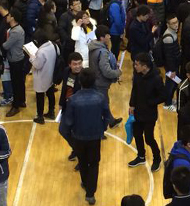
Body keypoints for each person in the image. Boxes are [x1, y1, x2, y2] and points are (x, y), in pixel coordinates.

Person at [59, 68, 112, 205]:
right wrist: (102, 128)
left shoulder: (73, 100)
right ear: (94, 81)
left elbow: (68, 122)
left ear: (80, 82)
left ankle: (85, 182)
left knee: (82, 161)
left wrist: (70, 134)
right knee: (94, 164)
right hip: (95, 137)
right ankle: (90, 193)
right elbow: (107, 116)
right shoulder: (100, 98)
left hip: (78, 137)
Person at [128, 52, 165, 172]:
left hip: (149, 114)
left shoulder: (156, 78)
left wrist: (150, 102)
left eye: (137, 64)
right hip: (138, 111)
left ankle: (157, 158)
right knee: (137, 134)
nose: (135, 66)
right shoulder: (137, 74)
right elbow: (134, 90)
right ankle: (141, 156)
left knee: (149, 138)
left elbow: (163, 96)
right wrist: (131, 104)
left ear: (145, 66)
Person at [88, 25, 123, 130]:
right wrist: (118, 72)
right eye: (108, 35)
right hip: (101, 82)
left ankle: (111, 121)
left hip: (95, 79)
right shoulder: (102, 52)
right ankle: (100, 128)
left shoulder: (93, 47)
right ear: (102, 38)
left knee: (103, 103)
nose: (110, 37)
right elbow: (106, 71)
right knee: (102, 104)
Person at [31, 29, 56, 124]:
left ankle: (40, 117)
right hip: (50, 74)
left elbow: (37, 65)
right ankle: (51, 112)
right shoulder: (52, 45)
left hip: (41, 76)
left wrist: (32, 58)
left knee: (40, 96)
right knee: (50, 94)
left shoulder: (41, 51)